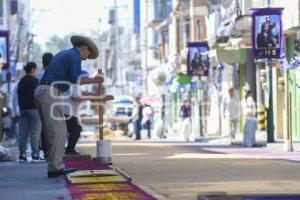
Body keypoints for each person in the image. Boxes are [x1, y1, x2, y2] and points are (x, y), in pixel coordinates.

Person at [34, 35, 99, 177]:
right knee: (58, 131)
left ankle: (54, 165)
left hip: (43, 91)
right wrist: (94, 80)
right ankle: (56, 167)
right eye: (87, 54)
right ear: (84, 48)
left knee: (53, 131)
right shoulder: (74, 56)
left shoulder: (65, 53)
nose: (86, 58)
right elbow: (76, 79)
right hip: (50, 91)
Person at [17, 62, 43, 162]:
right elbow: (38, 95)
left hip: (23, 109)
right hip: (34, 109)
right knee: (35, 132)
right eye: (36, 69)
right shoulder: (35, 81)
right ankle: (35, 155)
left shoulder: (21, 81)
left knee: (23, 132)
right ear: (32, 69)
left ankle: (22, 155)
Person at [64, 79, 94, 155]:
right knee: (76, 130)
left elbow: (80, 93)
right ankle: (69, 149)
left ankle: (69, 148)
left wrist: (88, 93)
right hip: (68, 112)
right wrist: (88, 97)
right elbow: (75, 97)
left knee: (74, 130)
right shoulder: (73, 84)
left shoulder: (75, 85)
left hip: (71, 112)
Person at [38, 53, 53, 160]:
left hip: (38, 101)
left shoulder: (38, 73)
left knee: (43, 128)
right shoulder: (51, 73)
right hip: (49, 101)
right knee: (51, 127)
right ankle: (50, 150)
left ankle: (46, 151)